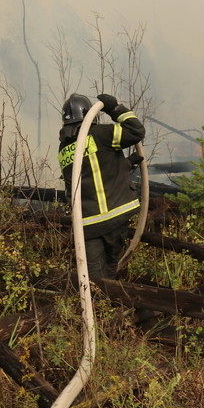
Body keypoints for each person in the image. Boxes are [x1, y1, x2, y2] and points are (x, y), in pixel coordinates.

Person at [57, 93, 146, 280]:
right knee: (110, 270)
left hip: (87, 225)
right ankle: (108, 306)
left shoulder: (64, 147)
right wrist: (115, 109)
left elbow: (89, 173)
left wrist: (125, 165)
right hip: (115, 215)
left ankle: (98, 307)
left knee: (94, 279)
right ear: (92, 115)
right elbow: (136, 131)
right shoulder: (101, 134)